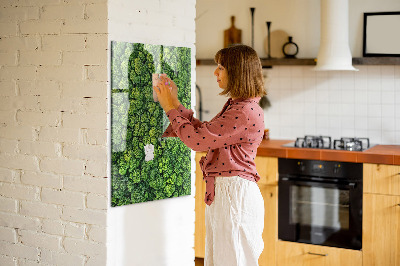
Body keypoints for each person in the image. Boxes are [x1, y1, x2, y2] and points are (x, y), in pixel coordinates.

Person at [154, 44, 266, 266]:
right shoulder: (239, 106)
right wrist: (175, 103)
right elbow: (204, 133)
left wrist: (169, 108)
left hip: (234, 196)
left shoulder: (243, 111)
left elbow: (197, 141)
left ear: (237, 72)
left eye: (221, 67)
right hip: (229, 193)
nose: (215, 72)